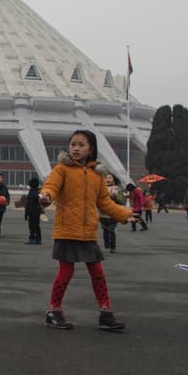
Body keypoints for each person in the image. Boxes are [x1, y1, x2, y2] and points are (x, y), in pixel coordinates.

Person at [38, 130, 139, 331]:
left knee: (98, 273)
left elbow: (104, 202)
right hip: (67, 231)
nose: (75, 148)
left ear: (91, 149)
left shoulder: (96, 175)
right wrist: (46, 196)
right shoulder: (61, 169)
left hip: (88, 232)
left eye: (81, 144)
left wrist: (124, 214)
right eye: (73, 144)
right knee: (66, 273)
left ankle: (105, 312)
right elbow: (51, 187)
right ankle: (53, 310)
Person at [97, 168, 122, 254]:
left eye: (110, 178)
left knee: (111, 230)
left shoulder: (117, 190)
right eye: (106, 178)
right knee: (105, 231)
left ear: (114, 181)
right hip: (103, 214)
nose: (108, 179)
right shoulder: (100, 189)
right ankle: (106, 242)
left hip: (113, 215)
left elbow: (122, 202)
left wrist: (115, 198)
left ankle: (113, 247)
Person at [24, 175, 43, 244]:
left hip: (32, 212)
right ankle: (38, 239)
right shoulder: (38, 193)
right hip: (36, 212)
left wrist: (26, 213)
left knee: (32, 226)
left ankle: (33, 239)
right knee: (36, 226)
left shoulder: (32, 193)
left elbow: (28, 204)